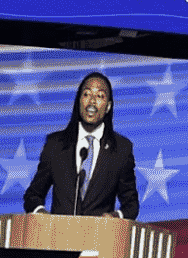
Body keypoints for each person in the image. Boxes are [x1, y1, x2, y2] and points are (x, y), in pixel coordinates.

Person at [22, 72, 140, 220]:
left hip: (100, 233)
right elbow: (33, 195)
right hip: (59, 232)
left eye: (100, 96)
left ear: (108, 106)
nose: (92, 101)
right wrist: (41, 214)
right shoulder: (55, 144)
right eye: (86, 94)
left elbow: (131, 205)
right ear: (79, 101)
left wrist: (116, 217)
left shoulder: (121, 149)